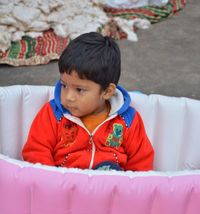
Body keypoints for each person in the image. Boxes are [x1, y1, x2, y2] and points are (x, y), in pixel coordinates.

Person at [22, 32, 154, 171]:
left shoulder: (128, 120)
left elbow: (141, 163)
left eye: (79, 90)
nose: (68, 97)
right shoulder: (53, 114)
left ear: (107, 92)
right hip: (64, 186)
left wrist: (128, 188)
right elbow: (36, 151)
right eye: (64, 85)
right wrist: (54, 182)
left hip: (111, 188)